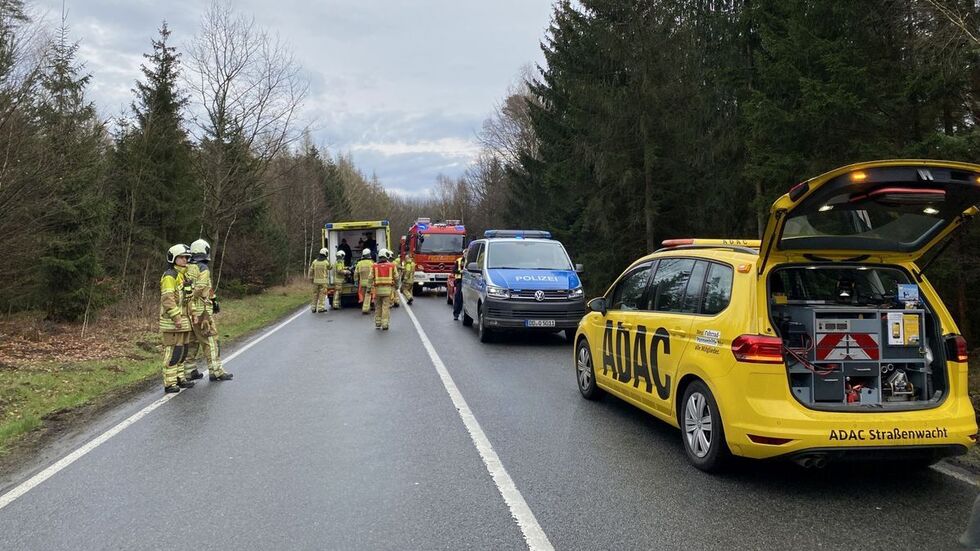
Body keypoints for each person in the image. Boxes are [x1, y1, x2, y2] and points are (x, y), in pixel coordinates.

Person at [184, 239, 233, 382]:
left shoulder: (186, 266)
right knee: (211, 340)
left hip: (188, 312)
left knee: (192, 342)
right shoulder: (203, 268)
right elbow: (202, 288)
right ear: (205, 251)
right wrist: (212, 303)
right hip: (201, 312)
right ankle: (216, 371)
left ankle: (190, 371)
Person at [160, 244, 194, 393]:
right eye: (181, 257)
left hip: (184, 320)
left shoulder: (183, 275)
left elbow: (187, 299)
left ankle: (180, 378)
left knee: (182, 350)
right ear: (173, 258)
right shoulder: (170, 275)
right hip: (172, 322)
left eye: (186, 257)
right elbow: (168, 299)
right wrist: (176, 318)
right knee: (173, 352)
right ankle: (169, 383)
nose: (185, 260)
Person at [371, 249, 396, 330]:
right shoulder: (392, 266)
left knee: (378, 306)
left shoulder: (374, 266)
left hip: (378, 290)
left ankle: (378, 323)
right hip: (388, 290)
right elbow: (397, 277)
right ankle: (384, 324)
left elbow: (370, 278)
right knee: (385, 307)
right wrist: (397, 286)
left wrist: (368, 289)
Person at [354, 248, 375, 315]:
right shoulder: (372, 263)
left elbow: (355, 273)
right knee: (368, 295)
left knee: (363, 295)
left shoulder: (359, 263)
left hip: (362, 283)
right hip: (370, 282)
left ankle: (364, 305)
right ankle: (366, 308)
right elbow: (374, 273)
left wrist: (356, 281)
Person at [310, 247, 331, 313]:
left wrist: (311, 279)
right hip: (323, 282)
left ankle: (313, 308)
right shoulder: (325, 262)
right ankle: (321, 308)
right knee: (322, 295)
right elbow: (330, 267)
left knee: (315, 294)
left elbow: (311, 271)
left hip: (315, 281)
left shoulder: (314, 262)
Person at [453, 253, 465, 321]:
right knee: (458, 297)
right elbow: (454, 270)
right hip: (460, 281)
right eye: (465, 253)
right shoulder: (459, 260)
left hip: (468, 281)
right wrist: (461, 271)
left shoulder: (470, 260)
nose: (466, 255)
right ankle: (456, 314)